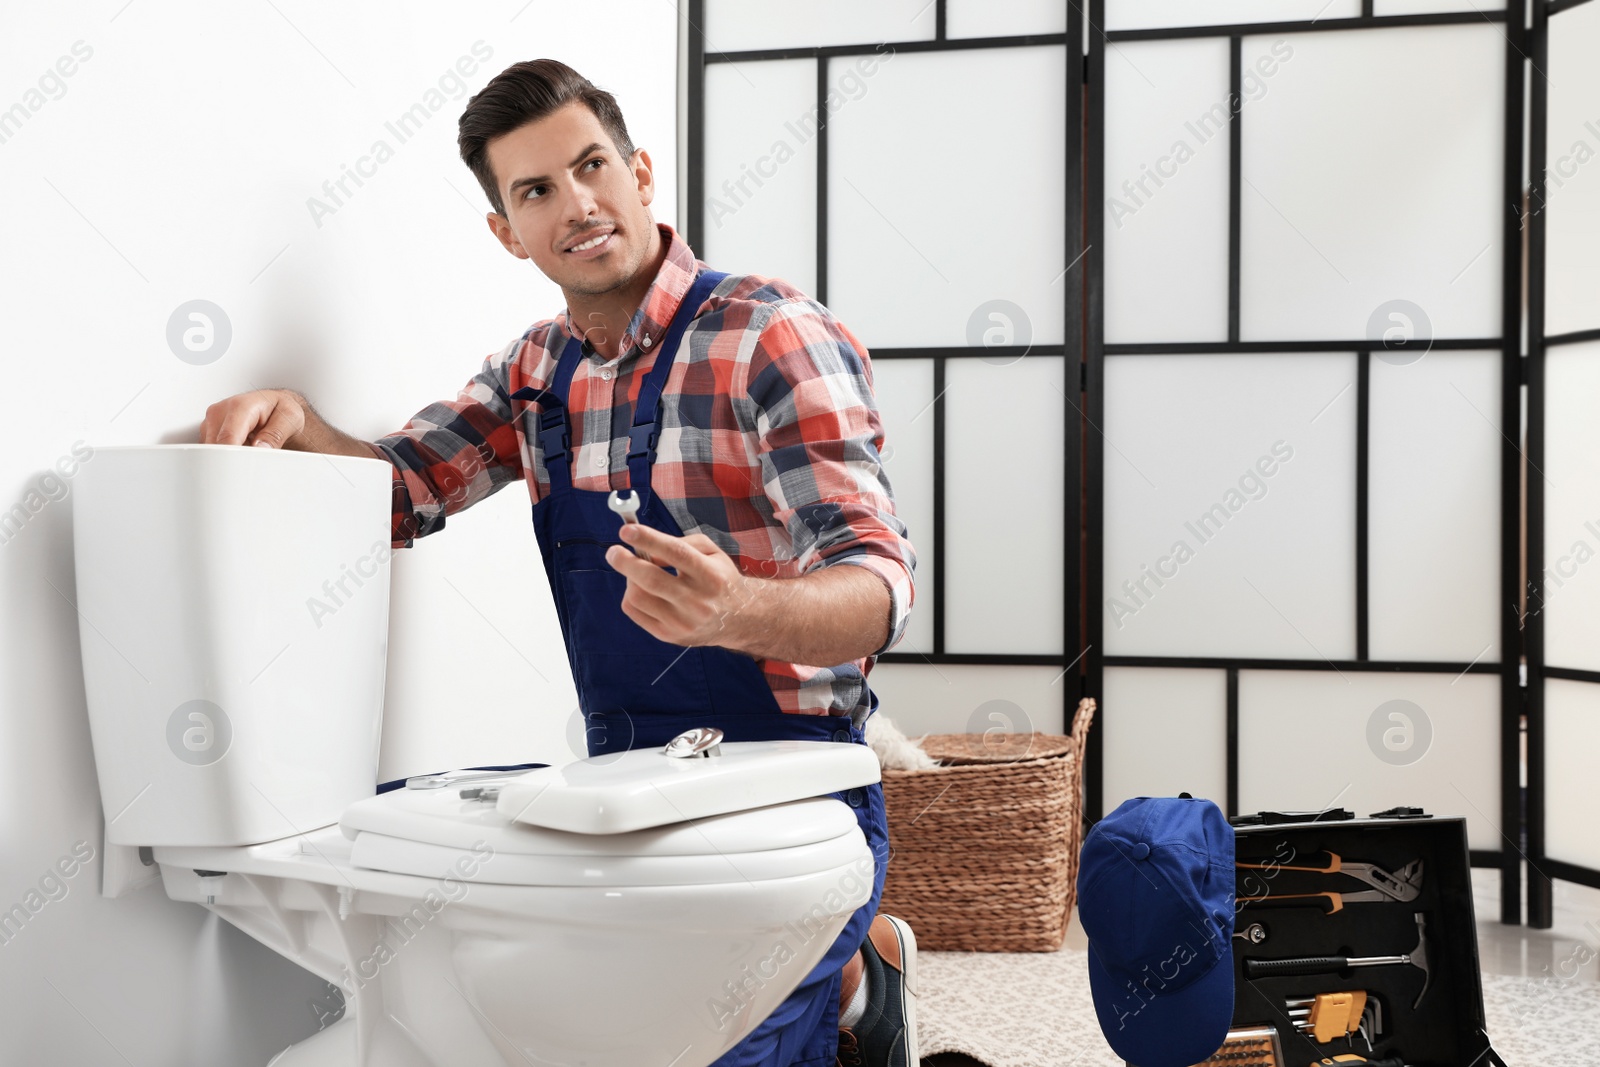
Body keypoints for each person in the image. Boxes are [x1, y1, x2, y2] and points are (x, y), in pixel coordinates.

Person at [199, 58, 918, 1067]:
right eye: (537, 189)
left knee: (724, 1047)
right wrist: (301, 423)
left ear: (640, 172)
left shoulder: (769, 335)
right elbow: (404, 486)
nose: (576, 205)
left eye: (591, 167)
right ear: (507, 229)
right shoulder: (539, 369)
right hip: (633, 777)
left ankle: (844, 975)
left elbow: (879, 589)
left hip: (796, 782)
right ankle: (855, 982)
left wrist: (739, 611)